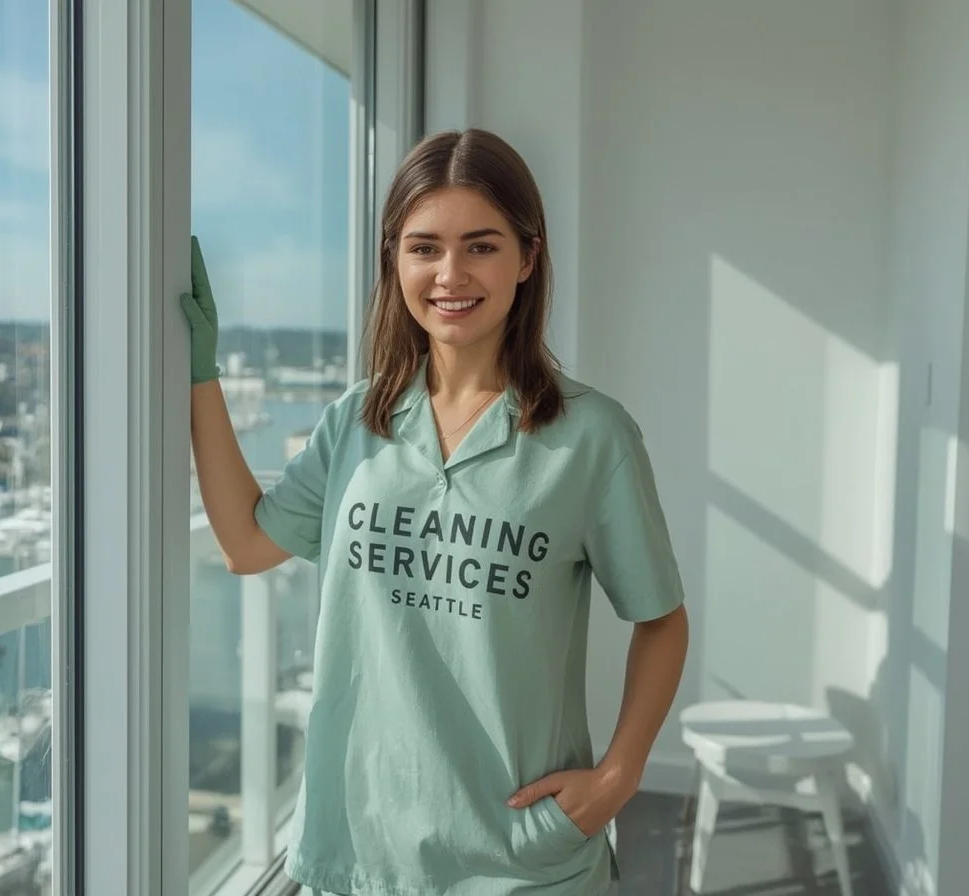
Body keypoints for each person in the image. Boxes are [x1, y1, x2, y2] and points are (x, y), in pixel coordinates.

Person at [182, 128, 689, 895]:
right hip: (355, 851)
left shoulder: (592, 438)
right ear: (395, 259)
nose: (451, 274)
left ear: (528, 257)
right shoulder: (356, 422)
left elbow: (661, 619)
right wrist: (201, 375)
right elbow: (248, 544)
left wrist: (619, 776)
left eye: (481, 246)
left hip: (516, 857)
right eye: (425, 248)